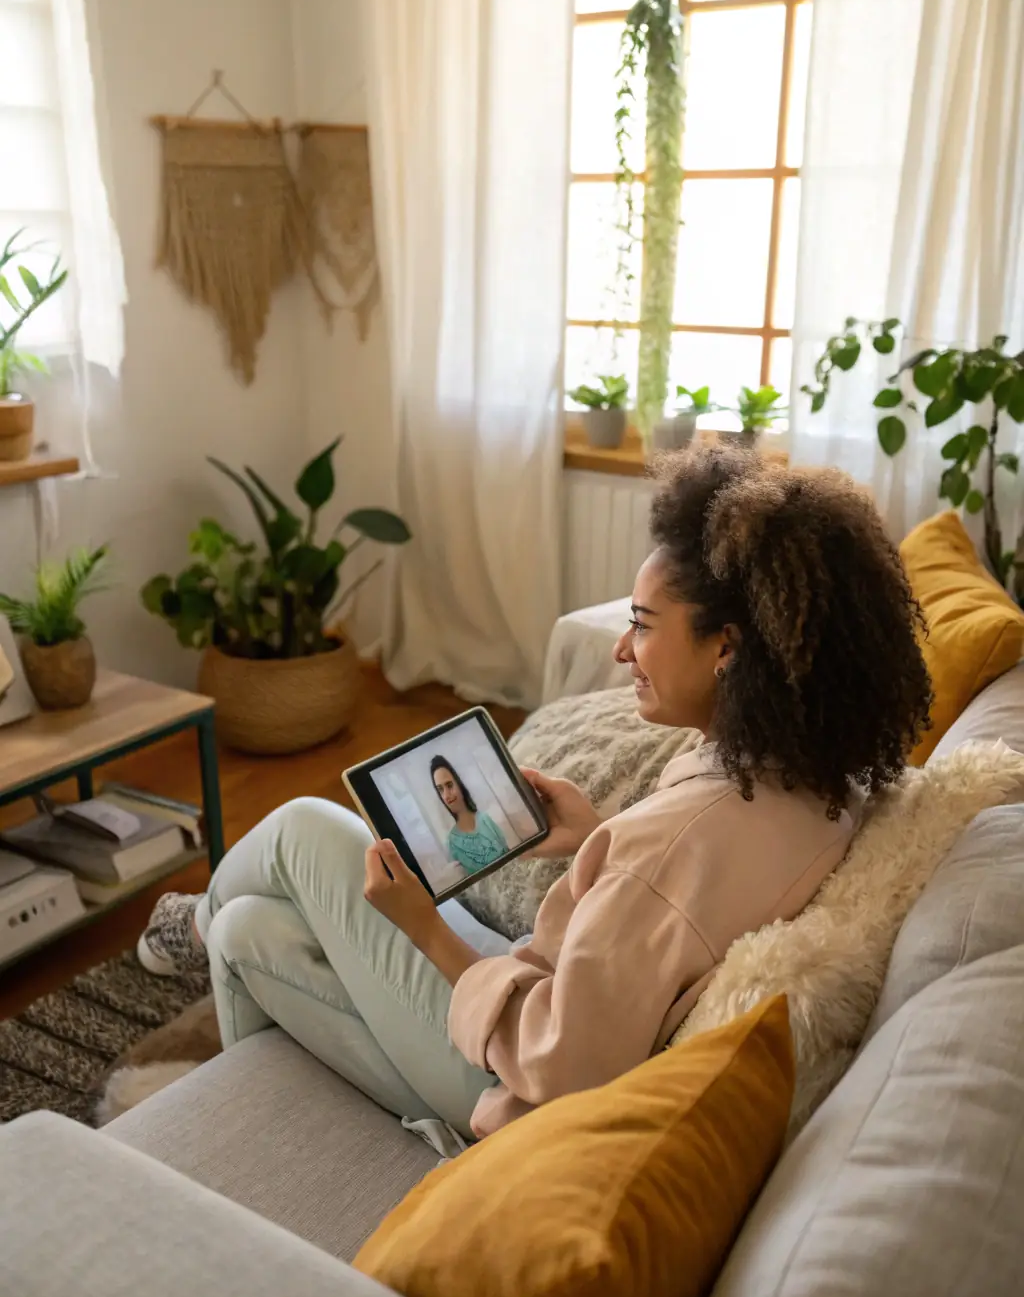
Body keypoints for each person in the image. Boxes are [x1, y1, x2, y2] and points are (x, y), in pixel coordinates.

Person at [138, 446, 932, 1149]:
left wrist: (427, 931)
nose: (623, 649)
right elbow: (675, 901)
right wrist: (598, 837)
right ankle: (218, 939)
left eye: (644, 625)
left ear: (727, 647)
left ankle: (196, 924)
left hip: (511, 1074)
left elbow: (561, 1059)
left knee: (302, 831)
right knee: (253, 932)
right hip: (546, 996)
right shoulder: (818, 777)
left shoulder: (676, 842)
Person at [429, 755, 510, 873]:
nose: (446, 795)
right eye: (440, 789)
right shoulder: (452, 844)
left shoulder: (486, 820)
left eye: (449, 785)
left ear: (459, 784)